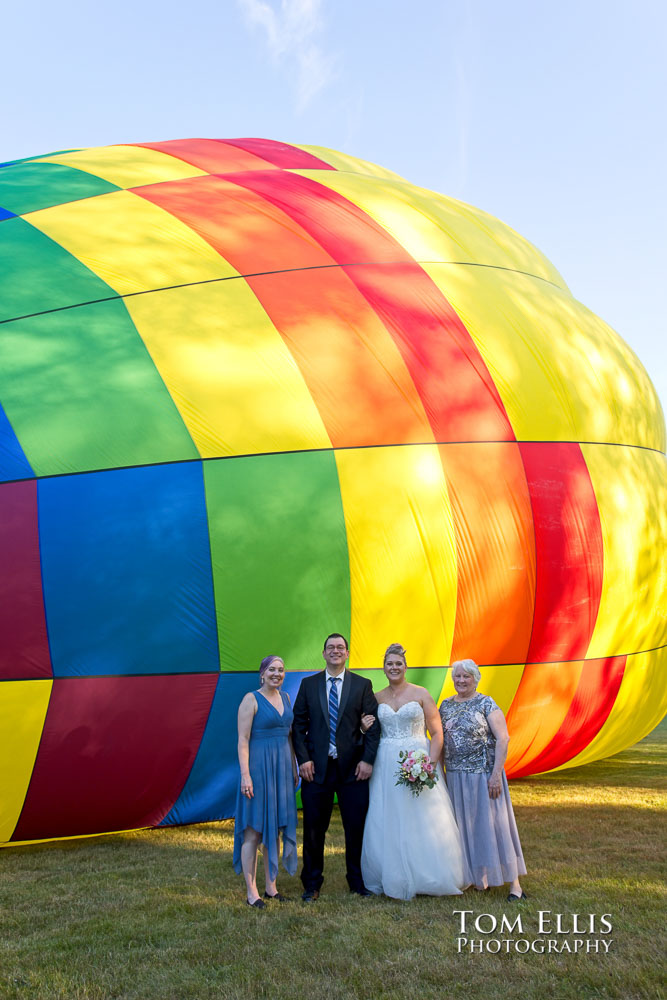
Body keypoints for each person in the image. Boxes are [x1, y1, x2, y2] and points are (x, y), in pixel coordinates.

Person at [360, 643, 467, 899]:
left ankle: (428, 873)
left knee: (422, 815)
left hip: (418, 758)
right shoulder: (376, 698)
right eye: (389, 664)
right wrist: (364, 728)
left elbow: (437, 732)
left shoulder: (421, 693)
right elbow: (370, 731)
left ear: (405, 667)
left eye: (398, 663)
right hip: (385, 762)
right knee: (386, 814)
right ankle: (390, 872)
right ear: (383, 668)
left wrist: (429, 764)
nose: (394, 667)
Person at [292, 633, 380, 901]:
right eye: (330, 647)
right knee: (314, 829)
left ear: (348, 653)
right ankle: (312, 883)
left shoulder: (362, 685)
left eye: (340, 647)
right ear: (323, 653)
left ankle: (357, 881)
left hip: (353, 771)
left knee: (356, 828)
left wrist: (367, 760)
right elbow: (298, 725)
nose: (335, 651)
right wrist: (304, 759)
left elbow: (373, 725)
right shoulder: (309, 684)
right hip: (316, 770)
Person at [440, 658, 527, 901]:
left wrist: (496, 774)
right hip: (456, 776)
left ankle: (515, 885)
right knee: (467, 828)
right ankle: (480, 878)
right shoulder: (445, 706)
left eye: (466, 676)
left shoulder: (486, 703)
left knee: (497, 826)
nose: (461, 680)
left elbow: (503, 739)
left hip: (484, 776)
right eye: (457, 676)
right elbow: (441, 741)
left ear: (475, 678)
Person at [233, 655, 298, 909]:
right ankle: (252, 893)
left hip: (281, 769)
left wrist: (292, 765)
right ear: (262, 673)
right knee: (254, 831)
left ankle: (271, 887)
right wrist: (245, 775)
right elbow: (242, 739)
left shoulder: (286, 698)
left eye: (281, 670)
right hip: (259, 771)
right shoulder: (250, 699)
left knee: (277, 827)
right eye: (272, 669)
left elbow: (290, 736)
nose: (277, 674)